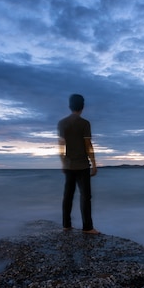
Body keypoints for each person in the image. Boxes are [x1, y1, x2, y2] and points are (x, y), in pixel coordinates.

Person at [58, 94, 99, 234]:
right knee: (85, 196)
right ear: (82, 107)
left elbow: (61, 145)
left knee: (68, 195)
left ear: (70, 106)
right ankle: (87, 227)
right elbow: (88, 145)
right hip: (82, 165)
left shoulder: (62, 123)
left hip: (69, 165)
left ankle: (66, 225)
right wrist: (94, 163)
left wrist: (63, 162)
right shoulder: (84, 123)